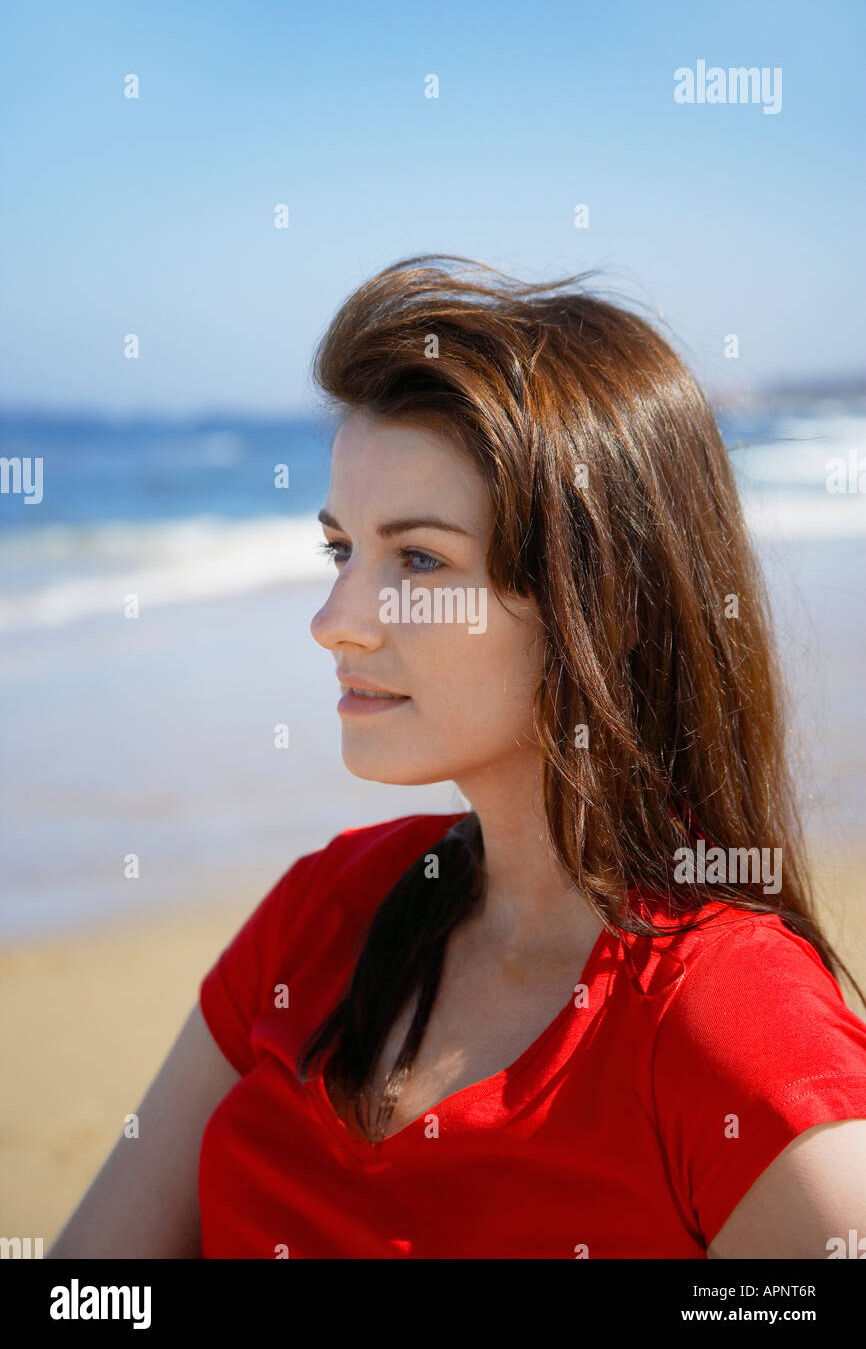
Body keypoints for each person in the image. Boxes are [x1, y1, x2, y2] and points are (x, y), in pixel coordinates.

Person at [48, 255, 866, 1259]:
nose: (332, 622)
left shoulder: (727, 1022)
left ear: (604, 607)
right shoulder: (320, 911)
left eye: (419, 559)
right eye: (340, 549)